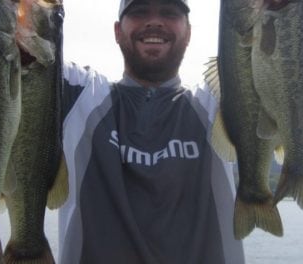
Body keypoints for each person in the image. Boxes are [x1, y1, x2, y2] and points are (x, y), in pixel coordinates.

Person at [58, 0, 245, 263]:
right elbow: (10, 43)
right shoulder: (82, 95)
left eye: (169, 13)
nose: (154, 21)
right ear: (117, 31)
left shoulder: (216, 102)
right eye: (139, 11)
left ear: (189, 32)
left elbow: (275, 48)